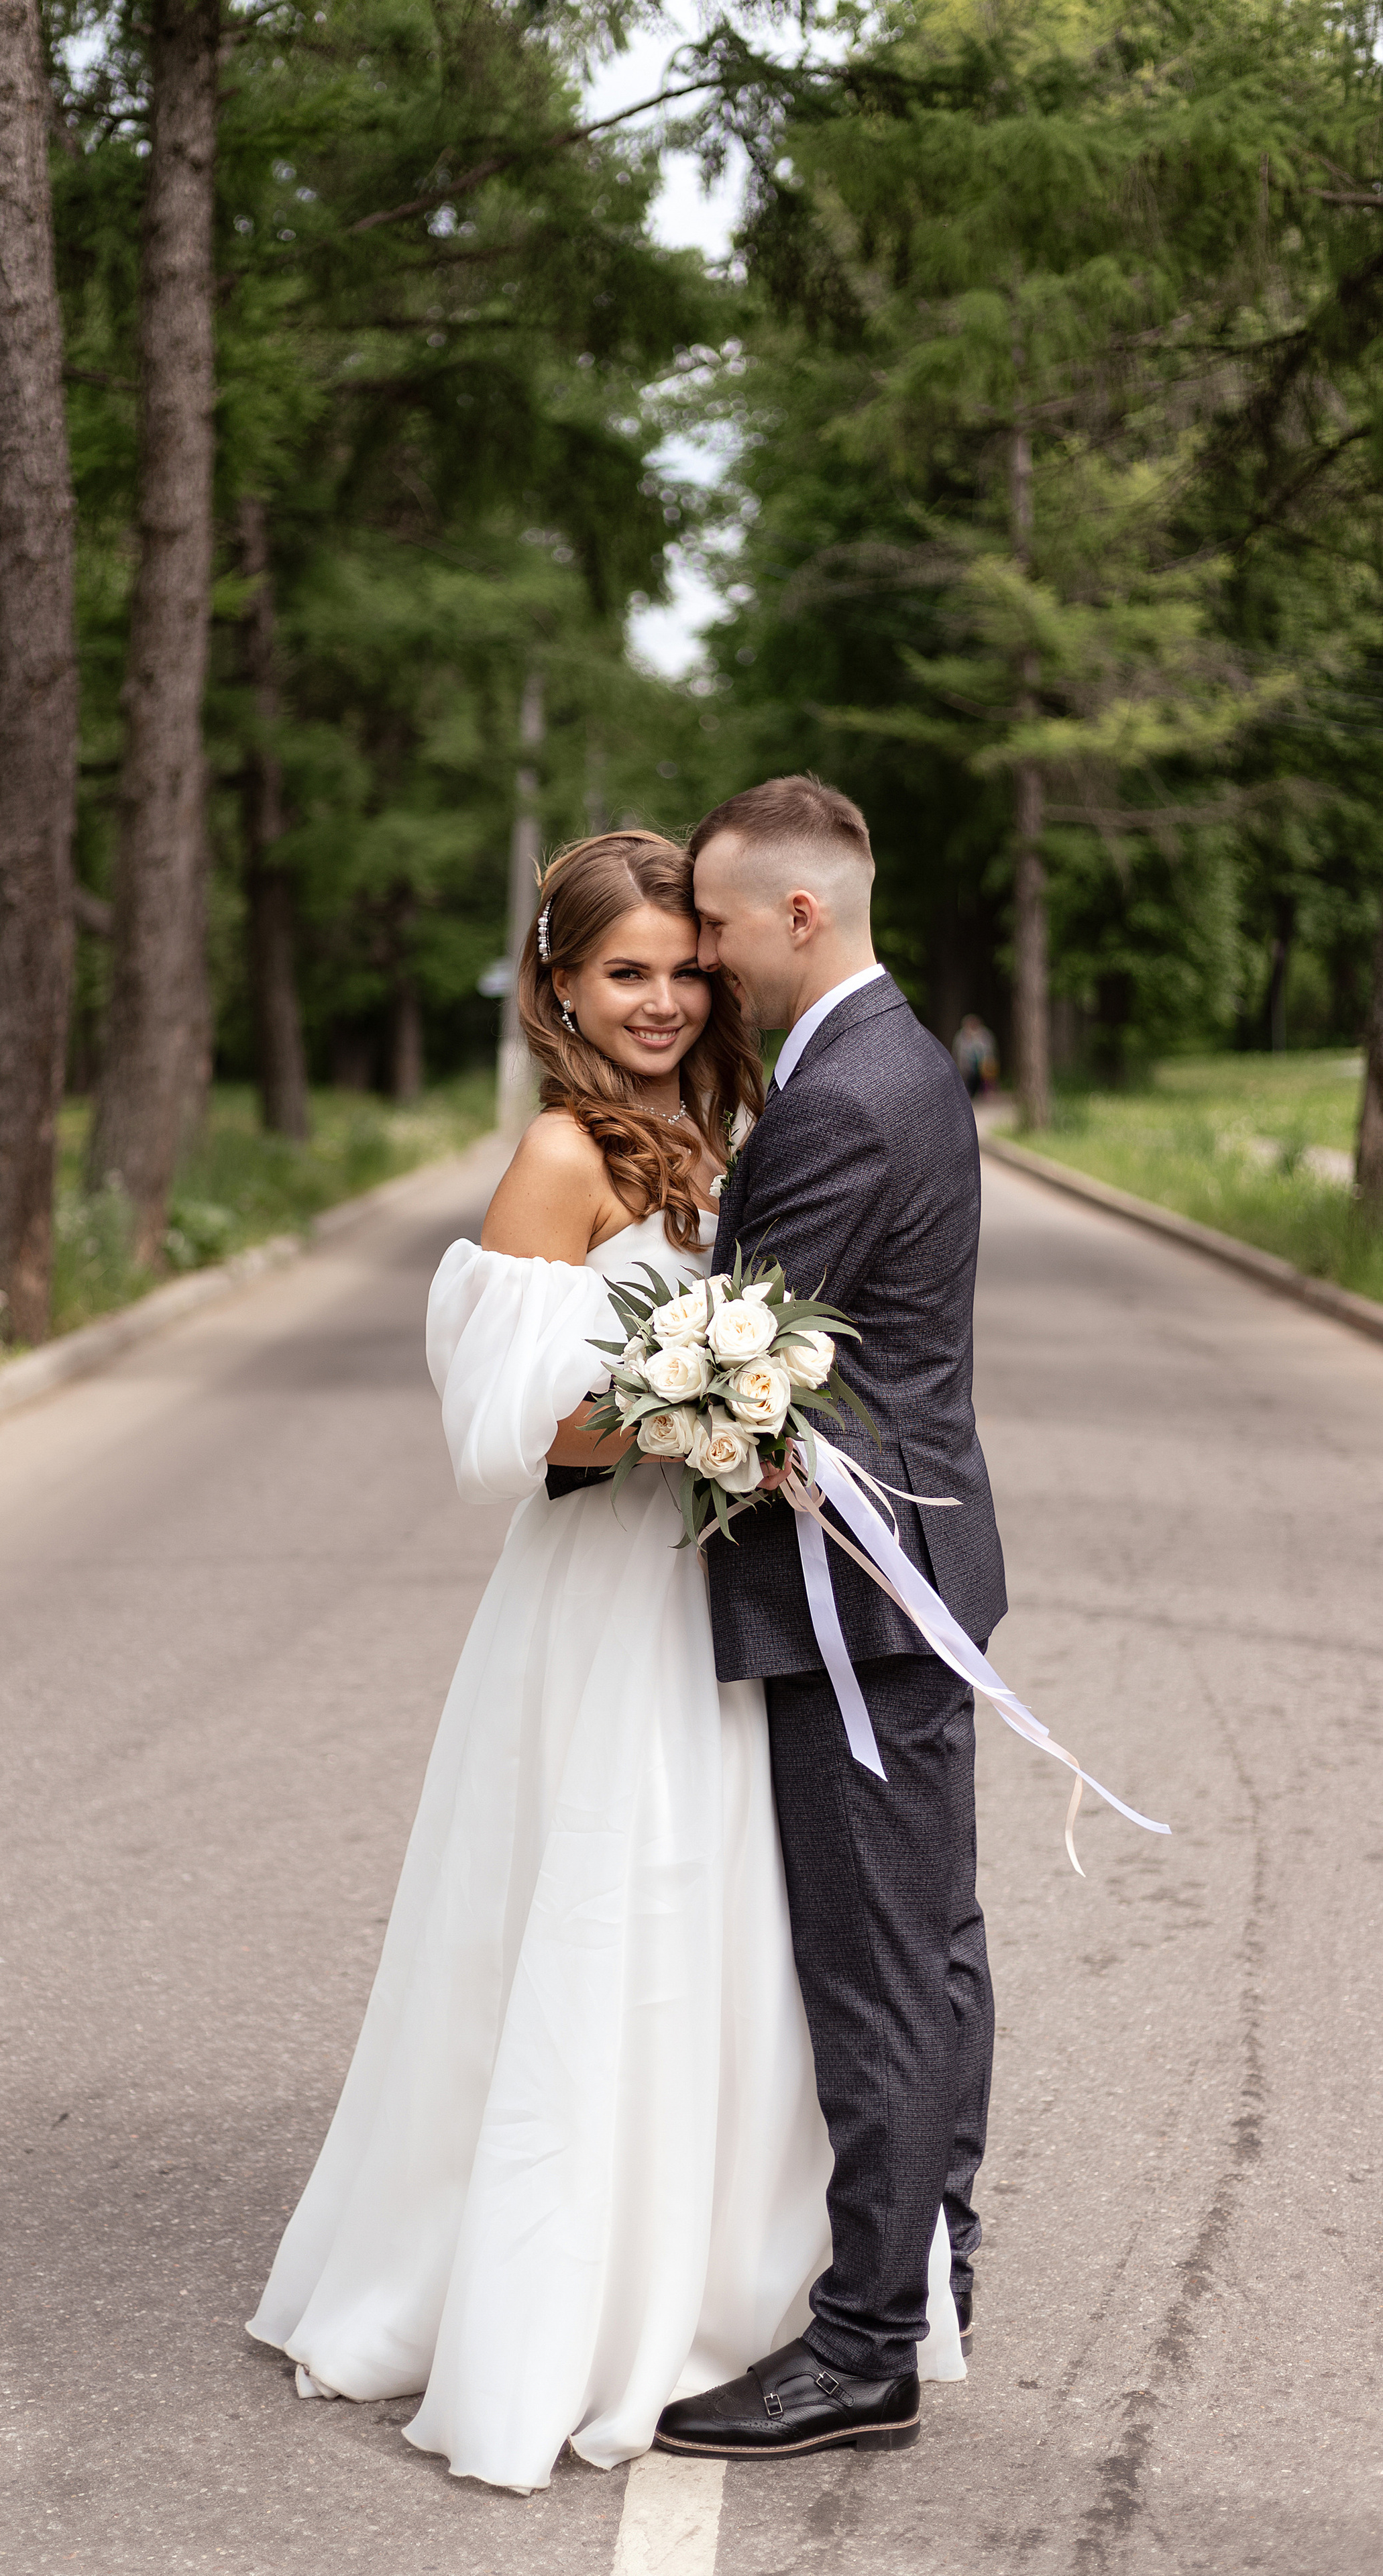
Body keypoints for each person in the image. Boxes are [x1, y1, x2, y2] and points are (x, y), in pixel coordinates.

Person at [247, 826, 966, 2492]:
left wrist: (744, 1400)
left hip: (713, 1595)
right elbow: (503, 1434)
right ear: (558, 984)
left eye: (678, 967)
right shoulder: (560, 1156)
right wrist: (692, 1404)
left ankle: (721, 2278)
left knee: (721, 1938)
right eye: (620, 972)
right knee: (598, 1918)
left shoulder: (721, 1134)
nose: (656, 999)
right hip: (598, 1600)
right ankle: (556, 2295)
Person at [652, 775, 1007, 2463]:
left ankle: (860, 2344)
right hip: (905, 1573)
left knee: (877, 1968)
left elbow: (737, 1356)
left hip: (853, 1589)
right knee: (929, 1941)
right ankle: (926, 2256)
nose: (702, 962)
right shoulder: (883, 1058)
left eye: (714, 930)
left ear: (797, 913)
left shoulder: (843, 1098)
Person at [954, 1013, 998, 1099]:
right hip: (968, 1064)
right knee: (969, 1080)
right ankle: (969, 1094)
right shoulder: (961, 1036)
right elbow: (958, 1052)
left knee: (985, 1078)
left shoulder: (984, 1034)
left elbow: (989, 1049)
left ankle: (987, 1093)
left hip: (983, 1062)